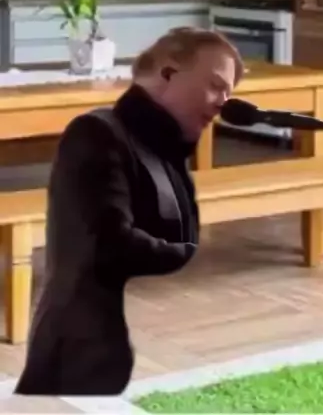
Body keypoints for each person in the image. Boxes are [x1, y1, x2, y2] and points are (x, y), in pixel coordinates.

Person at [15, 26, 243, 397]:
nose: (223, 104)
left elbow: (179, 233)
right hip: (75, 354)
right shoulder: (95, 133)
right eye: (215, 86)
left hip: (103, 354)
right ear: (168, 74)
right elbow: (108, 244)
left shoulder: (160, 146)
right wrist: (179, 252)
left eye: (228, 93)